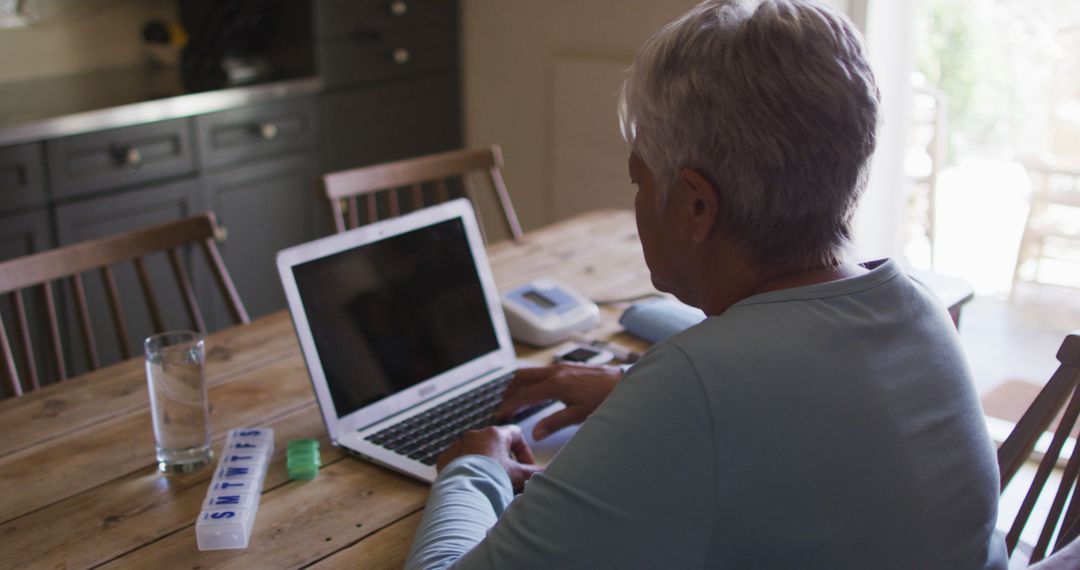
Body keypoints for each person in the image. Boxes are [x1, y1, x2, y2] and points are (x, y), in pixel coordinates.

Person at [405, 0, 1007, 568]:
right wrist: (628, 389)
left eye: (639, 180)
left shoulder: (693, 387)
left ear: (696, 207)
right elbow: (788, 422)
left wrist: (471, 468)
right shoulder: (921, 312)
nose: (637, 200)